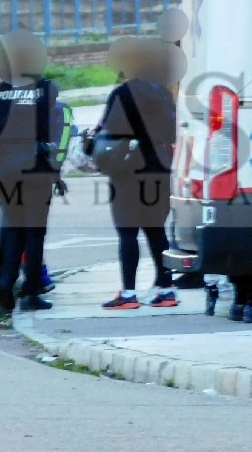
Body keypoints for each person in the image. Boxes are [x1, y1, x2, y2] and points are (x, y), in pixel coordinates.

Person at [93, 38, 180, 310]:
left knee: (128, 234)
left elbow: (109, 133)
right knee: (157, 232)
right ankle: (167, 290)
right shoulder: (163, 93)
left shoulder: (120, 95)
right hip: (159, 169)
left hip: (127, 172)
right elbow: (173, 131)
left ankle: (129, 294)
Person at [0, 29, 62, 312]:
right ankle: (30, 293)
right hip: (35, 170)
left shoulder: (0, 93)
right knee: (35, 232)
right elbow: (53, 129)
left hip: (4, 171)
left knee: (14, 228)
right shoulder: (47, 89)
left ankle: (5, 282)